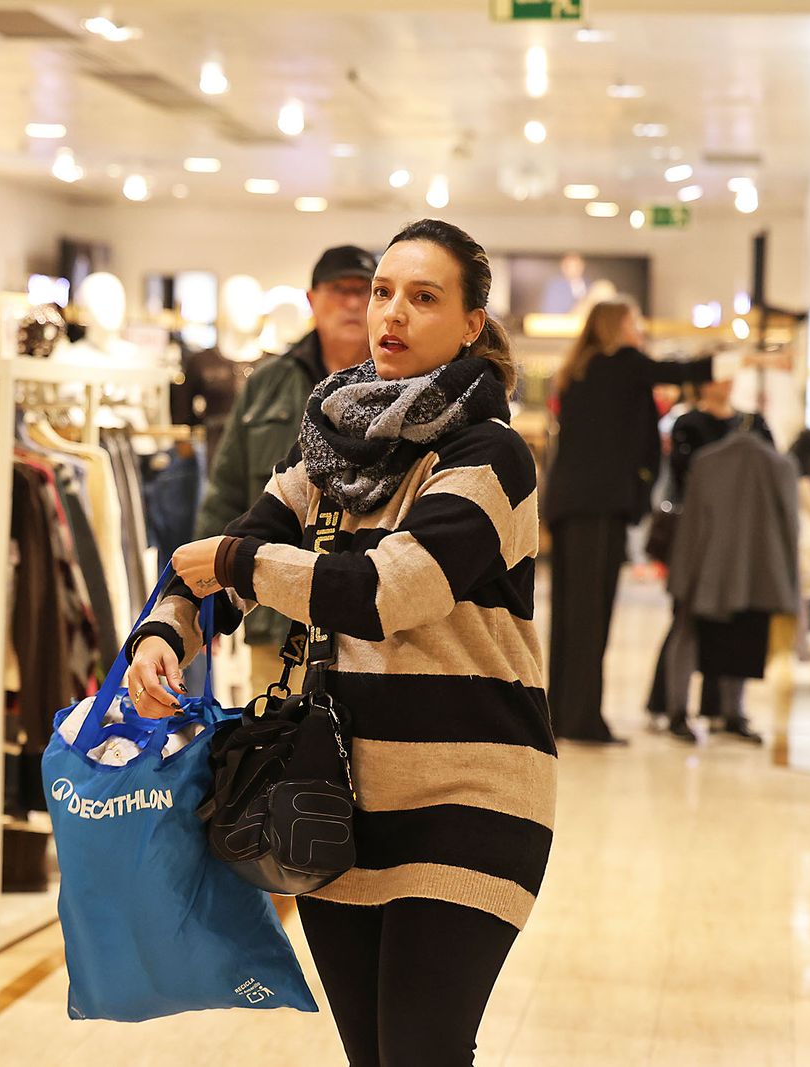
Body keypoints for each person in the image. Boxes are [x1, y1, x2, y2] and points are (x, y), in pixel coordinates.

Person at [127, 220, 554, 1065]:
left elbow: (386, 590)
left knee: (420, 1050)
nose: (390, 313)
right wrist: (164, 630)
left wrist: (239, 561)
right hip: (335, 804)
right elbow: (226, 556)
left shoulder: (491, 455)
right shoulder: (330, 446)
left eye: (423, 298)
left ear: (472, 324)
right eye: (385, 291)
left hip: (468, 800)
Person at [544, 301, 766, 745]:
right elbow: (679, 370)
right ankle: (584, 719)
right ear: (617, 327)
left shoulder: (577, 373)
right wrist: (742, 358)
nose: (640, 331)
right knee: (593, 614)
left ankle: (562, 712)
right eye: (634, 323)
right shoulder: (621, 363)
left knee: (570, 617)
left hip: (569, 505)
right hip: (601, 505)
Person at [193, 244, 377, 696]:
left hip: (369, 626)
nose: (353, 303)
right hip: (276, 618)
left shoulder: (400, 387)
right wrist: (200, 598)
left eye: (364, 291)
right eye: (340, 290)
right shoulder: (268, 384)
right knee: (274, 752)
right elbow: (227, 492)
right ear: (313, 299)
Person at [651, 380, 772, 743]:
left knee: (741, 621)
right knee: (688, 620)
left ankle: (730, 711)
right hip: (698, 535)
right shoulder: (689, 425)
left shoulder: (755, 424)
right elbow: (683, 477)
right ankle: (676, 710)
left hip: (744, 538)